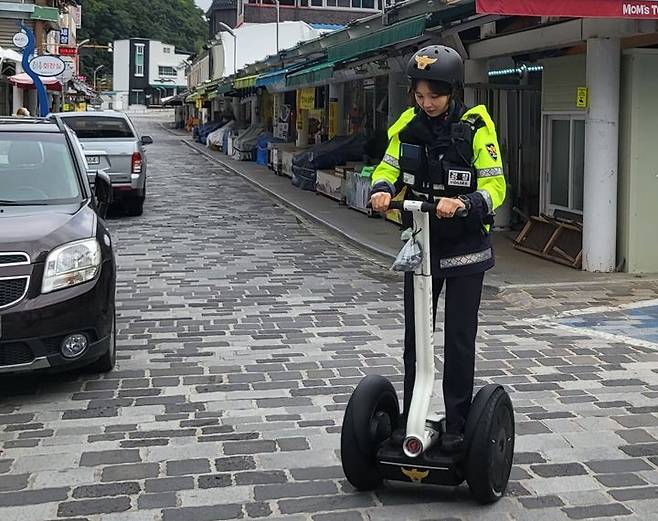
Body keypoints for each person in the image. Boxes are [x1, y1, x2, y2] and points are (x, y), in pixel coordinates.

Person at [369, 45, 506, 453]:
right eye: (420, 95)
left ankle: (459, 425)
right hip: (423, 245)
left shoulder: (476, 127)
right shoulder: (409, 124)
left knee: (459, 338)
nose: (426, 104)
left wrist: (466, 203)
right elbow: (389, 165)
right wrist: (380, 188)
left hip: (465, 249)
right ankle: (414, 414)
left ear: (453, 91)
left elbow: (495, 185)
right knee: (417, 339)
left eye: (435, 96)